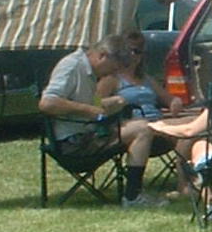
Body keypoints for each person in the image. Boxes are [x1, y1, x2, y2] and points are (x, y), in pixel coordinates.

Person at [38, 34, 170, 208]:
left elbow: (88, 103)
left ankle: (133, 194)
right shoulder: (72, 66)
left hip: (88, 133)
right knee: (142, 129)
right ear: (102, 56)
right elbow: (47, 103)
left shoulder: (90, 71)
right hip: (73, 143)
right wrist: (91, 111)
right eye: (113, 68)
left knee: (141, 126)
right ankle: (132, 197)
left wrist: (111, 104)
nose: (112, 74)